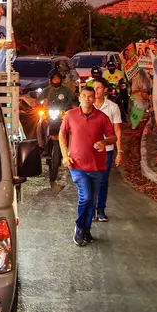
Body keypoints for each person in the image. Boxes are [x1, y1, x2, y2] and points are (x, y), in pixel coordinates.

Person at [58, 87, 117, 246]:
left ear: (94, 99)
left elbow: (113, 137)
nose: (87, 99)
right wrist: (65, 155)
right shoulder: (70, 115)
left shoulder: (102, 117)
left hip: (97, 165)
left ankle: (86, 229)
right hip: (77, 165)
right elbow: (62, 134)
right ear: (79, 97)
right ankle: (79, 227)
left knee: (92, 198)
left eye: (90, 96)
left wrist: (104, 142)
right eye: (84, 95)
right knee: (86, 196)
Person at [91, 77, 123, 222]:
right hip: (89, 150)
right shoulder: (87, 106)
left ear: (105, 90)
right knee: (89, 180)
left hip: (107, 149)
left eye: (99, 87)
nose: (96, 90)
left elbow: (117, 130)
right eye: (94, 87)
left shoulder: (112, 107)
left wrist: (119, 151)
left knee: (103, 180)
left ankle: (101, 210)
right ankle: (90, 210)